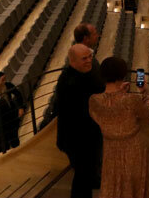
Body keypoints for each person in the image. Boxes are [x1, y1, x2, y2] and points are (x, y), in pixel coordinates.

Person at [89, 56, 149, 198]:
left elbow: (109, 110)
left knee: (113, 184)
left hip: (110, 150)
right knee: (133, 186)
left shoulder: (94, 100)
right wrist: (145, 93)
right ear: (122, 75)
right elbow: (147, 114)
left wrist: (120, 92)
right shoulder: (131, 100)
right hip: (133, 149)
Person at [56, 44, 106, 198]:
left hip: (86, 138)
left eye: (90, 56)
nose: (89, 60)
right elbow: (85, 111)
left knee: (86, 174)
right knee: (82, 179)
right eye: (84, 58)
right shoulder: (70, 83)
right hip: (78, 141)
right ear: (73, 62)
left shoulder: (83, 73)